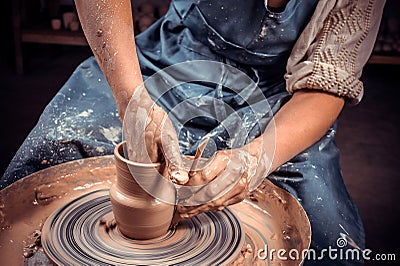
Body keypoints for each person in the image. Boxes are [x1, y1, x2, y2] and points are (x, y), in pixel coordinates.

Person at [2, 0, 385, 264]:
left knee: (328, 236)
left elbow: (326, 85)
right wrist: (132, 100)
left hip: (282, 99)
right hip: (170, 59)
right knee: (45, 161)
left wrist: (255, 158)